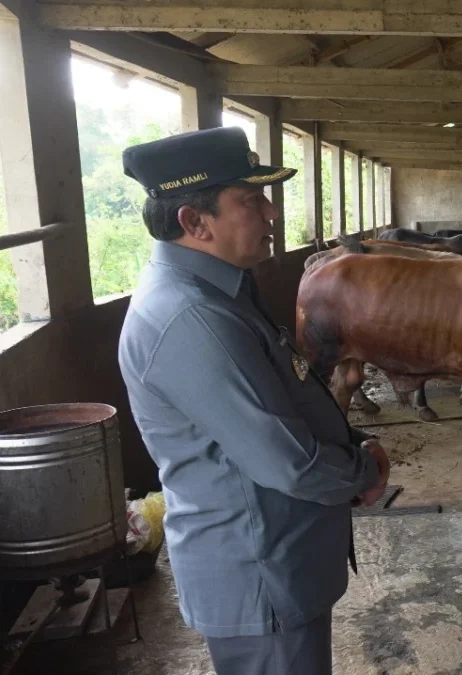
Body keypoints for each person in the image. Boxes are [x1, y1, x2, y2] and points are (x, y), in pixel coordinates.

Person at [117, 126, 390, 675]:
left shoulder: (222, 293)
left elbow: (285, 397)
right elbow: (288, 460)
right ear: (194, 222)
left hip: (277, 554)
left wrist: (353, 442)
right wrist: (363, 471)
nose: (270, 214)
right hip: (259, 567)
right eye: (250, 201)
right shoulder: (191, 317)